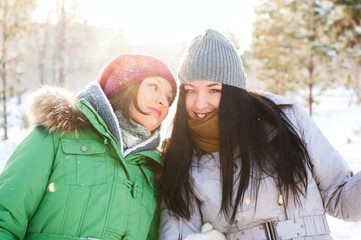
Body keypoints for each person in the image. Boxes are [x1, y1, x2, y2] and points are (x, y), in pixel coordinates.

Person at [160, 29, 361, 240]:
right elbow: (181, 231)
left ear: (233, 91)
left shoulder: (286, 119)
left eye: (214, 90)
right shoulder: (181, 155)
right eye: (190, 90)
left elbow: (340, 197)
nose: (200, 103)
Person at [0, 53, 177, 240]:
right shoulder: (59, 135)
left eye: (169, 97)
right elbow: (5, 216)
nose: (162, 101)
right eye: (154, 87)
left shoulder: (153, 171)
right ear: (124, 86)